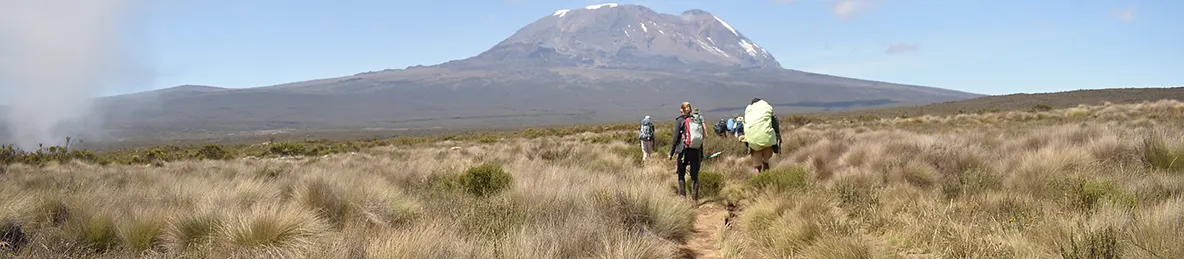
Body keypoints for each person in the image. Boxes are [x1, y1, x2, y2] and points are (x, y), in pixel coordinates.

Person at [668, 102, 704, 200]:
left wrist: (671, 153)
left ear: (681, 110)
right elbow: (701, 137)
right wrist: (701, 154)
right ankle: (695, 200)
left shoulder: (680, 120)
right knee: (694, 176)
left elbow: (676, 138)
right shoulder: (696, 120)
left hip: (683, 151)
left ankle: (683, 197)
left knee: (681, 174)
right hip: (695, 150)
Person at [742, 98, 781, 174]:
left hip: (754, 143)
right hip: (767, 139)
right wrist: (777, 136)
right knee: (766, 162)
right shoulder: (765, 110)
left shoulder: (749, 113)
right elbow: (775, 124)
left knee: (757, 167)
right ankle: (767, 179)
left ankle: (757, 182)